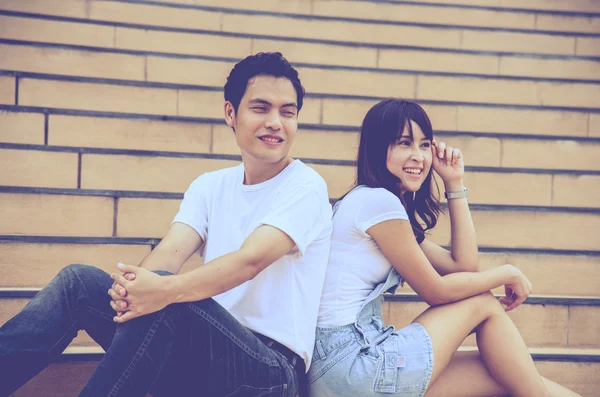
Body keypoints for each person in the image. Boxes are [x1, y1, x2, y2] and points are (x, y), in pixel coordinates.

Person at [0, 52, 333, 397]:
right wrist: (131, 289)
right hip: (201, 353)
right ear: (230, 113)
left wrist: (159, 290)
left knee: (163, 293)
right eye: (261, 108)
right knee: (79, 283)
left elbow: (249, 261)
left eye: (287, 112)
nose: (276, 122)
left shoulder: (305, 185)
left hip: (268, 370)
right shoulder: (211, 185)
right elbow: (166, 257)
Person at [307, 99, 581, 397]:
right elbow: (436, 291)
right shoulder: (376, 203)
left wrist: (454, 182)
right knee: (483, 303)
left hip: (340, 373)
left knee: (503, 370)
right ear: (377, 149)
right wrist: (506, 273)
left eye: (424, 145)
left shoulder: (374, 207)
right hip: (354, 366)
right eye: (404, 143)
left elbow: (463, 267)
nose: (418, 156)